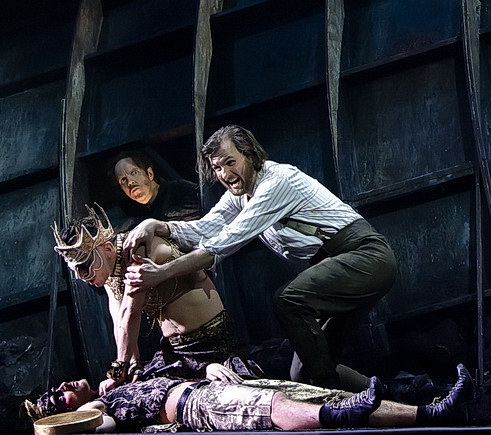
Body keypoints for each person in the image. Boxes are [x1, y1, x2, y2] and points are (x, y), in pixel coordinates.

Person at [122, 124, 397, 392]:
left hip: (364, 256)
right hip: (334, 264)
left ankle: (331, 400)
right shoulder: (240, 195)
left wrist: (163, 272)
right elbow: (204, 229)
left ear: (250, 155)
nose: (224, 174)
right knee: (305, 370)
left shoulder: (276, 182)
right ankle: (391, 398)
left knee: (289, 301)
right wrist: (156, 225)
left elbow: (222, 245)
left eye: (230, 162)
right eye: (217, 167)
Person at [53, 204, 263, 394]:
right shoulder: (110, 271)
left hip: (213, 345)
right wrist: (133, 364)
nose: (82, 276)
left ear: (108, 249)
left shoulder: (137, 250)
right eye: (76, 270)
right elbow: (119, 321)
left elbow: (129, 313)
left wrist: (118, 371)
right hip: (177, 354)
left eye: (84, 266)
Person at [23, 363, 470, 432]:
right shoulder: (95, 409)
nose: (65, 389)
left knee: (327, 393)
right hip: (198, 407)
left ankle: (431, 412)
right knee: (271, 408)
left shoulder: (118, 383)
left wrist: (207, 368)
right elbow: (99, 425)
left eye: (60, 387)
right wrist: (83, 419)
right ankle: (339, 418)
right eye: (59, 399)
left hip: (210, 386)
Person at [109, 150, 202, 231]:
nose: (130, 182)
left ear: (150, 174)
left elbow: (202, 206)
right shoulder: (129, 210)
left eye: (134, 173)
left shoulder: (179, 190)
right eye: (123, 180)